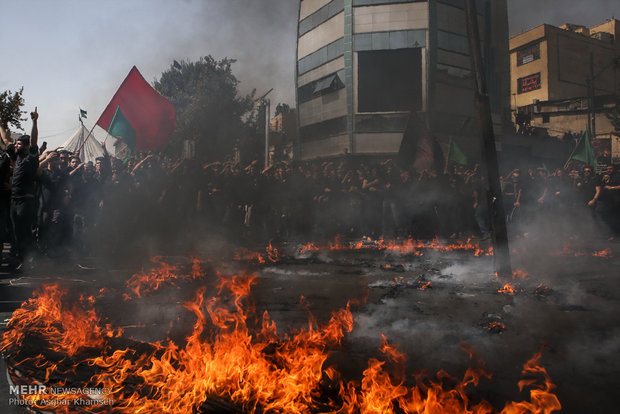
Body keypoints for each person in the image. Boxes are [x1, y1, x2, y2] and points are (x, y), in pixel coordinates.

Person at [8, 108, 40, 267]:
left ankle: (29, 259)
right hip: (14, 201)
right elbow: (7, 141)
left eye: (19, 144)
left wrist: (34, 122)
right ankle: (21, 258)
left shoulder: (31, 158)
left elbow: (34, 141)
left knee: (24, 231)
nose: (16, 145)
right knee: (16, 232)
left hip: (25, 202)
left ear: (26, 147)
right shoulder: (18, 158)